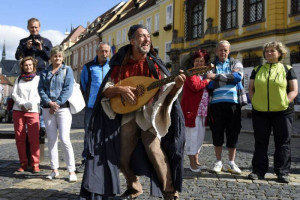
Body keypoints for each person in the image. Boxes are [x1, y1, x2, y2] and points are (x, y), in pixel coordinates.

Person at [80, 24, 186, 200]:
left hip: (148, 113)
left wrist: (177, 86)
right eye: (142, 36)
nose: (147, 39)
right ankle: (134, 185)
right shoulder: (120, 63)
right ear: (132, 40)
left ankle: (170, 192)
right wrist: (120, 90)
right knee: (121, 156)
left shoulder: (154, 64)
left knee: (154, 150)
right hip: (128, 114)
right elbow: (106, 90)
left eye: (148, 36)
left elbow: (166, 94)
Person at [248, 41, 298, 183]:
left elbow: (294, 89)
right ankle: (258, 171)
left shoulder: (287, 69)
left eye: (272, 51)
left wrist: (286, 101)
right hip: (260, 111)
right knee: (260, 142)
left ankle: (282, 172)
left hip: (283, 111)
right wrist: (255, 101)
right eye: (267, 51)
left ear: (280, 53)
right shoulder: (257, 69)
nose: (269, 53)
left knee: (283, 142)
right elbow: (251, 88)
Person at [38, 45, 77, 182]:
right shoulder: (44, 72)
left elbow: (68, 89)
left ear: (63, 57)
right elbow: (41, 89)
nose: (57, 58)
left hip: (63, 108)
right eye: (55, 56)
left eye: (60, 56)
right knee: (52, 140)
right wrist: (49, 103)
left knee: (65, 139)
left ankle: (71, 170)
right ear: (51, 58)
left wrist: (57, 103)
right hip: (47, 108)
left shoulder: (67, 70)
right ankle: (54, 170)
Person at [206, 40, 244, 174]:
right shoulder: (211, 65)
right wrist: (229, 79)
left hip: (233, 103)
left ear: (229, 51)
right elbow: (208, 84)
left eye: (226, 50)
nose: (223, 52)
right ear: (216, 51)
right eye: (221, 50)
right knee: (217, 132)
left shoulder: (236, 63)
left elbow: (238, 77)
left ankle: (231, 162)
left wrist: (216, 77)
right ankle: (218, 161)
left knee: (233, 132)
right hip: (216, 104)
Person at [15, 17, 53, 139]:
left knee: (41, 98)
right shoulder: (23, 42)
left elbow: (51, 57)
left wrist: (42, 49)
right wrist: (26, 48)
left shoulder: (46, 42)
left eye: (36, 27)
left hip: (41, 73)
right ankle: (27, 124)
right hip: (27, 74)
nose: (34, 29)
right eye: (32, 27)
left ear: (39, 28)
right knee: (28, 97)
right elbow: (17, 56)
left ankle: (40, 125)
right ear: (28, 28)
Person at [76, 42, 111, 173]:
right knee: (89, 132)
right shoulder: (88, 67)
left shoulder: (112, 67)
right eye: (102, 51)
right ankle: (86, 160)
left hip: (108, 105)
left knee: (106, 133)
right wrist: (89, 99)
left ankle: (103, 160)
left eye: (107, 51)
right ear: (97, 52)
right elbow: (83, 85)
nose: (104, 54)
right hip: (91, 106)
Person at [180, 49, 211, 173]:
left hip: (202, 111)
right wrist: (208, 80)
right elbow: (195, 87)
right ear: (193, 62)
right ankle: (192, 164)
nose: (199, 63)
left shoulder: (201, 75)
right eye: (197, 61)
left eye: (201, 61)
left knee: (200, 137)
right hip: (192, 111)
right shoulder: (190, 73)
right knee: (192, 137)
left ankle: (197, 161)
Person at [12, 56, 41, 173]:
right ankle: (23, 163)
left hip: (33, 110)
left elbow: (39, 95)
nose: (28, 67)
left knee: (34, 139)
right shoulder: (18, 79)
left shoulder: (38, 79)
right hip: (18, 110)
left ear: (33, 66)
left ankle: (35, 163)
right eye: (26, 65)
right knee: (20, 138)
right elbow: (14, 94)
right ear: (23, 67)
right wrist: (22, 103)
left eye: (30, 65)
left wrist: (28, 105)